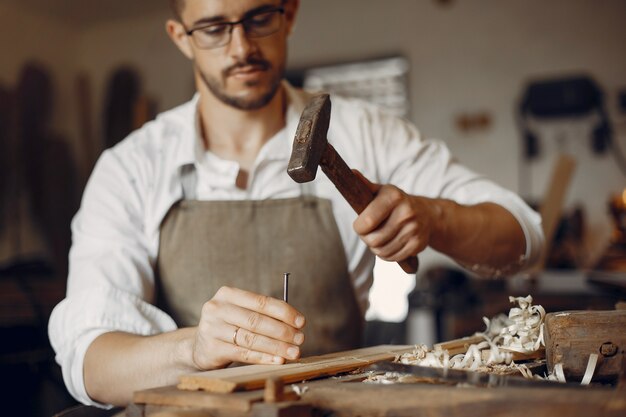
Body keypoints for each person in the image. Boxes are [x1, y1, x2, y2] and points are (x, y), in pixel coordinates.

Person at [48, 0, 544, 408]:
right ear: (181, 36)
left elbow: (523, 237)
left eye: (259, 17)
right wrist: (193, 348)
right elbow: (89, 359)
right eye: (215, 28)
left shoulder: (364, 132)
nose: (242, 47)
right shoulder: (131, 167)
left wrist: (435, 218)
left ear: (290, 13)